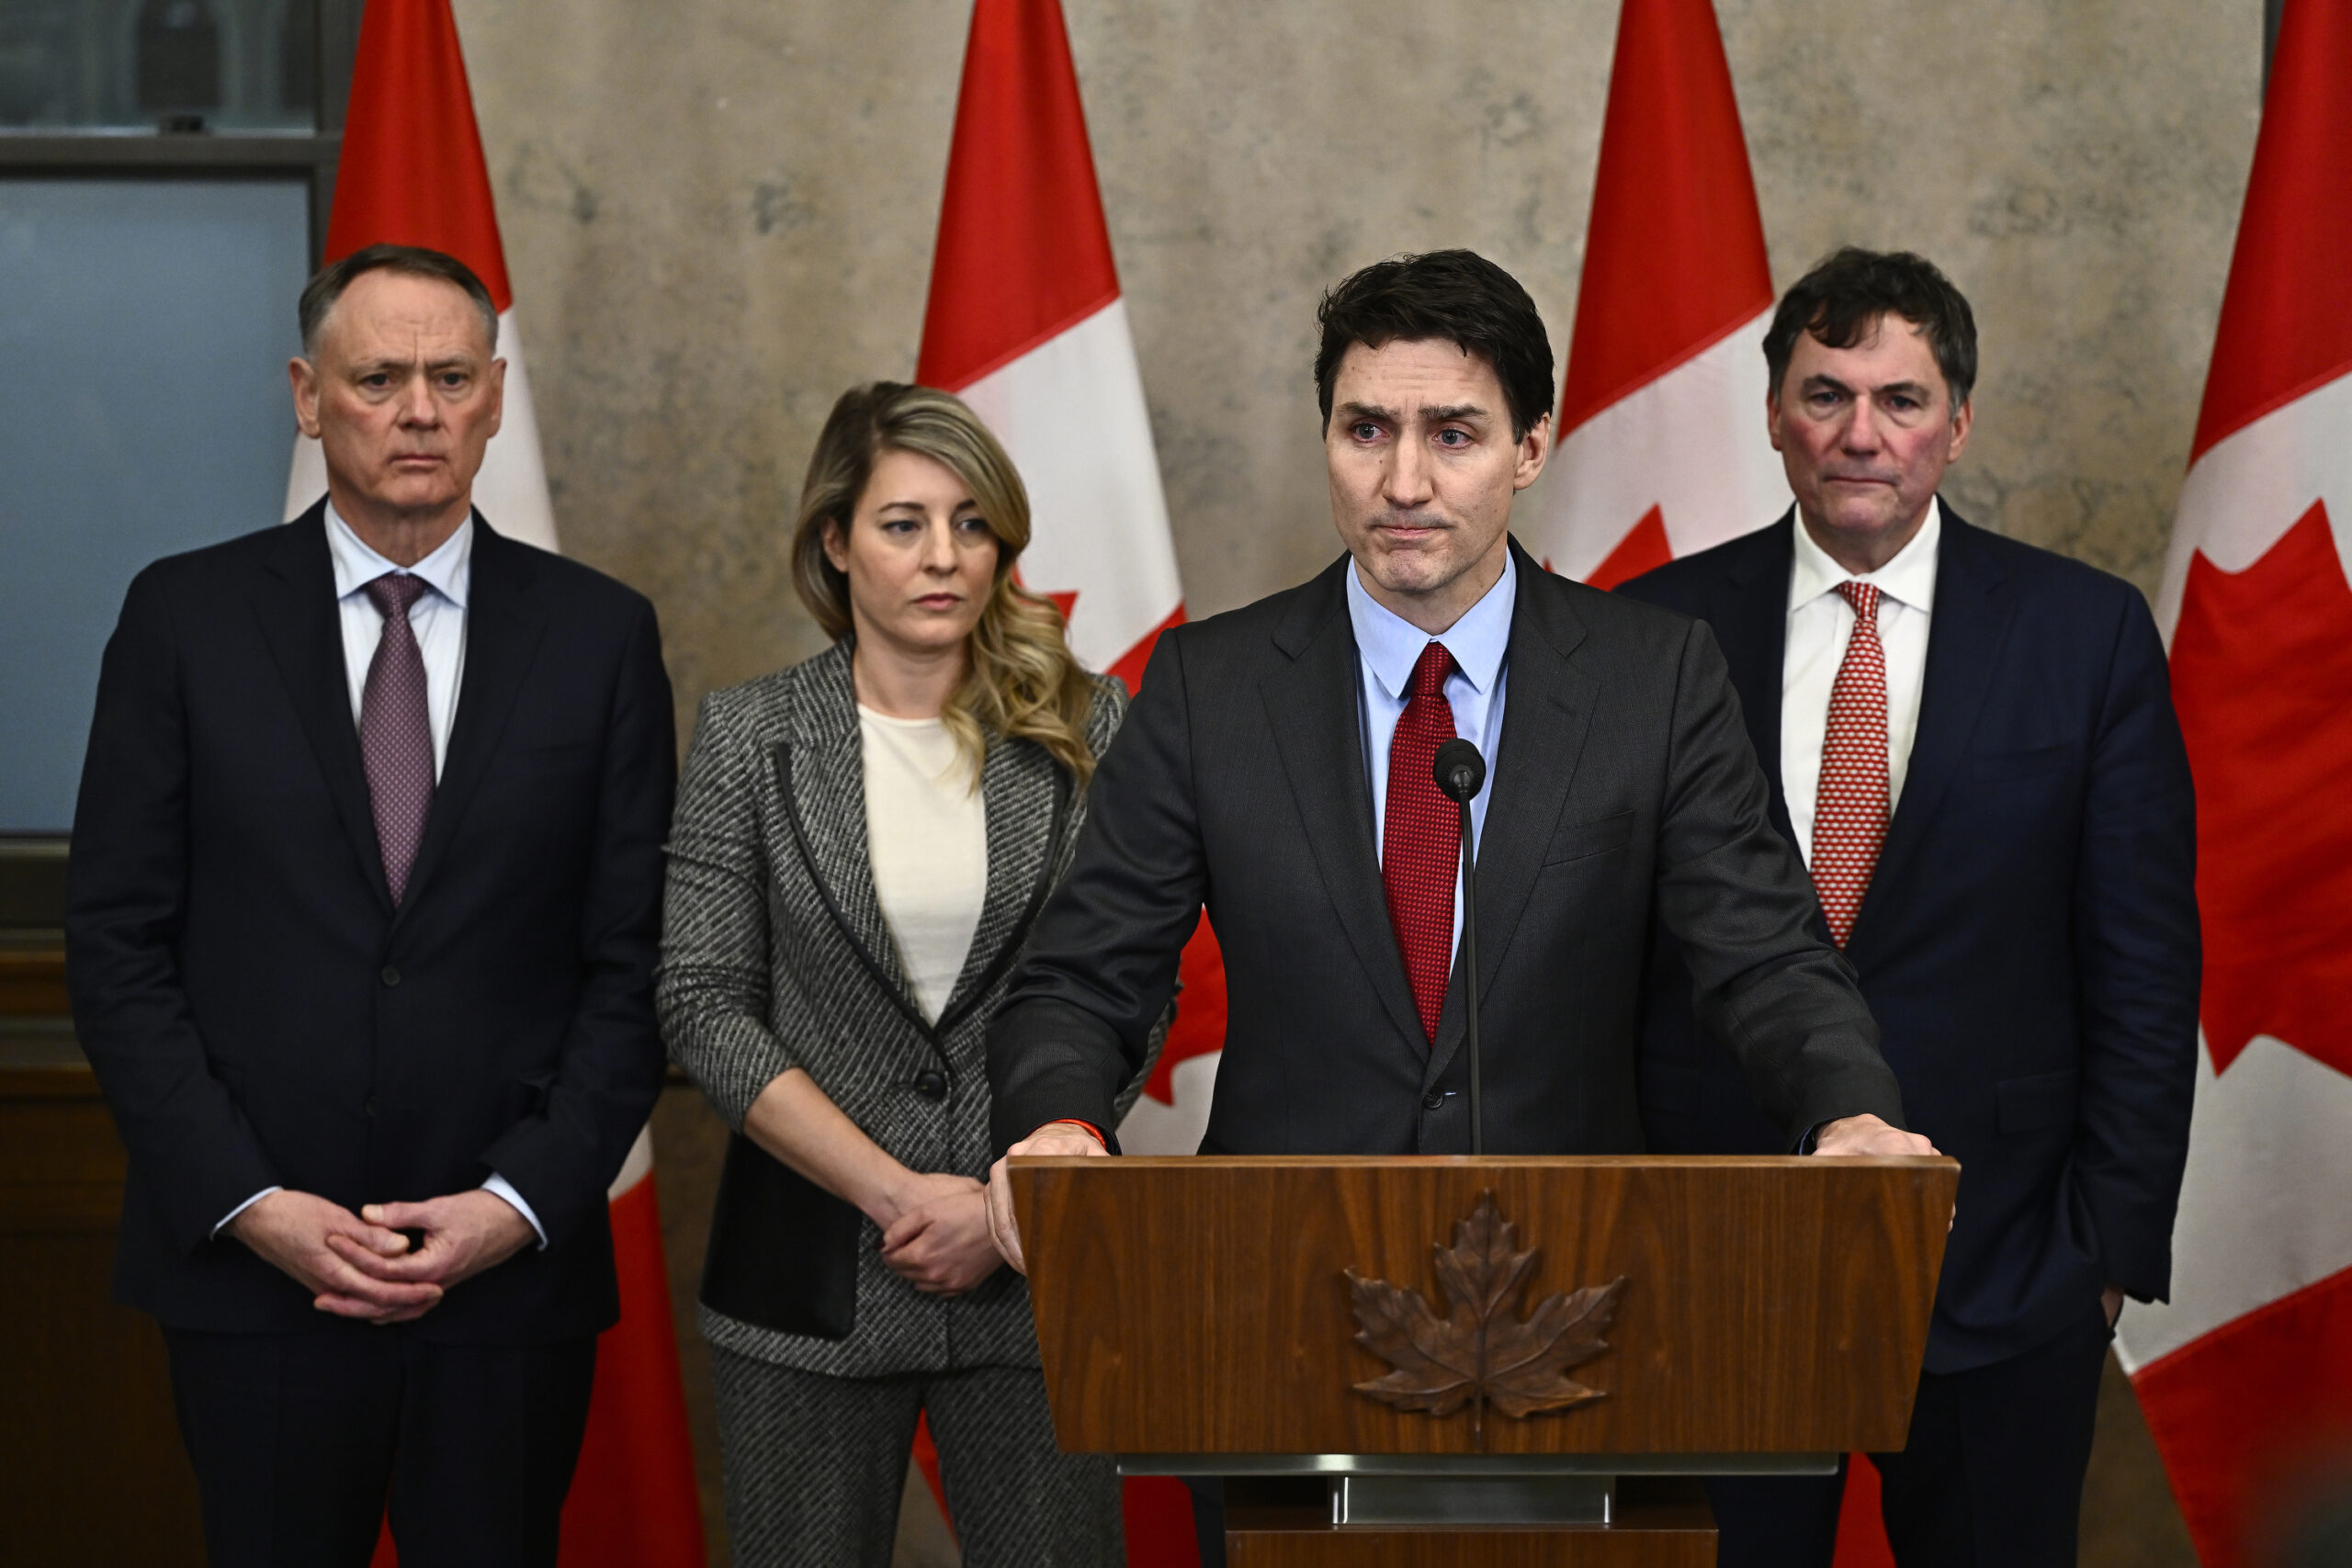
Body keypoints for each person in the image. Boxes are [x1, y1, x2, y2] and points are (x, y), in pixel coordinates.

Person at [63, 243, 676, 1565]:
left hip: (505, 1281)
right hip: (255, 1273)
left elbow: (635, 966)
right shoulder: (184, 619)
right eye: (379, 377)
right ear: (307, 395)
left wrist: (514, 1204)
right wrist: (249, 1202)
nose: (417, 411)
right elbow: (116, 947)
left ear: (496, 398)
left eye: (450, 378)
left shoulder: (600, 635)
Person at [1616, 248, 2199, 1568]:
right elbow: (1603, 956)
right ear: (1773, 414)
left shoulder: (2084, 634)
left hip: (2005, 1256)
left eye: (1901, 398)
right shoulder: (1651, 635)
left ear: (1959, 420)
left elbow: (2147, 968)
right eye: (1825, 395)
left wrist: (2103, 1253)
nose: (1861, 435)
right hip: (1720, 1259)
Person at [659, 383, 1140, 1567]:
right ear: (835, 539)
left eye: (972, 524)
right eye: (904, 522)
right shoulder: (751, 734)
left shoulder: (1090, 727)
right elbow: (702, 1001)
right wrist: (893, 1193)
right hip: (807, 1269)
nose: (944, 557)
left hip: (1031, 1266)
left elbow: (1129, 987)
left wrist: (998, 1205)